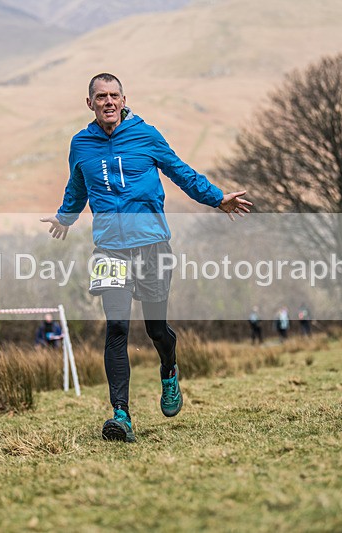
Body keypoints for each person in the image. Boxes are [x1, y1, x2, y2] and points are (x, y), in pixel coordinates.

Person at [40, 73, 251, 442]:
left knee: (155, 329)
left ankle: (169, 371)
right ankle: (121, 415)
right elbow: (77, 186)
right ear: (89, 103)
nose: (108, 101)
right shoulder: (80, 144)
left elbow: (180, 172)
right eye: (101, 96)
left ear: (124, 100)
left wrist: (218, 198)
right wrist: (66, 216)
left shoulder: (146, 135)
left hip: (151, 243)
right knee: (117, 328)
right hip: (109, 248)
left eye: (114, 95)